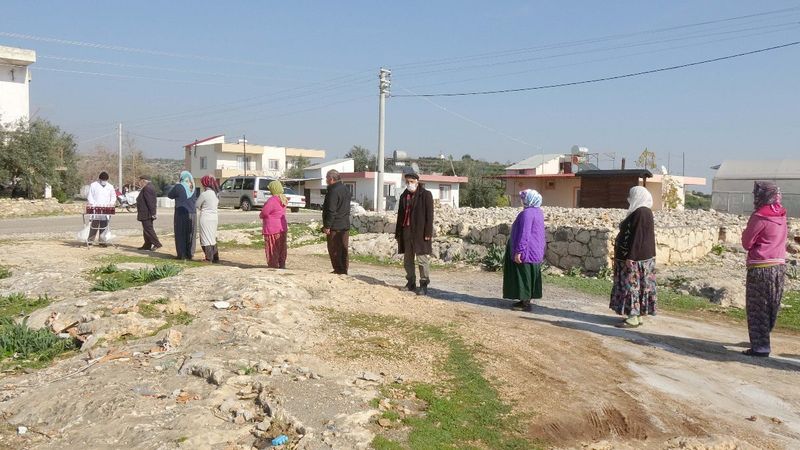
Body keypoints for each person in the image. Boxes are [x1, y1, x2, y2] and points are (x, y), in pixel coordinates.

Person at [741, 181, 788, 358]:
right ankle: (763, 337)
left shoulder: (759, 217)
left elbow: (747, 243)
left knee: (757, 307)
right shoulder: (781, 215)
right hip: (779, 267)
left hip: (761, 267)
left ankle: (760, 347)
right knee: (771, 305)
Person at [609, 186, 657, 328]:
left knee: (632, 286)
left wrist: (631, 257)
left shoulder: (641, 213)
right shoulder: (642, 212)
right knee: (638, 286)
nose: (629, 198)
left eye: (631, 195)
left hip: (635, 260)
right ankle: (637, 316)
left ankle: (633, 317)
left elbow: (638, 237)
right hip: (639, 258)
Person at [502, 189, 546, 311]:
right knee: (529, 275)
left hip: (526, 251)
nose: (522, 200)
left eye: (523, 198)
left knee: (523, 275)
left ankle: (524, 302)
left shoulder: (527, 214)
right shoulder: (538, 212)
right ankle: (526, 299)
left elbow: (525, 234)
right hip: (534, 250)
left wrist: (519, 251)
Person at [395, 172, 434, 295]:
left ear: (417, 181)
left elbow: (430, 215)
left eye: (411, 181)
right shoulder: (404, 196)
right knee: (408, 259)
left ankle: (423, 284)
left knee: (422, 259)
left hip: (420, 231)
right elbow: (400, 216)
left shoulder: (426, 195)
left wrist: (428, 232)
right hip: (406, 230)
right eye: (407, 182)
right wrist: (398, 233)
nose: (409, 184)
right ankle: (410, 282)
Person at [322, 170, 351, 274]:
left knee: (334, 249)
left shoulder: (333, 191)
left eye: (327, 178)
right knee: (343, 249)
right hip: (345, 224)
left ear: (331, 179)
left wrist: (327, 226)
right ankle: (344, 269)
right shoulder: (345, 189)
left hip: (335, 225)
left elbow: (331, 210)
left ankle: (338, 270)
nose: (326, 180)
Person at [168, 171, 198, 260]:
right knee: (191, 234)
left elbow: (170, 195)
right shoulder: (193, 187)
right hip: (193, 213)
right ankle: (191, 253)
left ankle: (182, 254)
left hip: (181, 213)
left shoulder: (178, 187)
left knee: (181, 233)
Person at [260, 180, 288, 269]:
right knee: (281, 248)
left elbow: (264, 212)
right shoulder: (283, 198)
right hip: (282, 228)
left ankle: (273, 266)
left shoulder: (272, 200)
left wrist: (261, 215)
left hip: (272, 228)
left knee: (272, 249)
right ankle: (282, 265)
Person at [86, 171, 116, 247]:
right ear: (99, 179)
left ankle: (102, 241)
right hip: (96, 208)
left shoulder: (110, 186)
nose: (104, 181)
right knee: (94, 225)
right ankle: (90, 240)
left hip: (106, 208)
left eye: (105, 180)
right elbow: (90, 196)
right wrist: (94, 205)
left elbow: (113, 197)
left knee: (104, 225)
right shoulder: (93, 185)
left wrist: (110, 204)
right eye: (102, 180)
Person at [197, 175, 220, 263]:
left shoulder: (204, 194)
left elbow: (197, 204)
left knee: (205, 238)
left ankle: (208, 258)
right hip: (214, 218)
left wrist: (202, 207)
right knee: (212, 237)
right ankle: (215, 257)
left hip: (205, 218)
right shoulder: (216, 194)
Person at [135, 175, 162, 251]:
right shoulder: (148, 187)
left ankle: (157, 244)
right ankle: (147, 245)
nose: (139, 183)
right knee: (146, 229)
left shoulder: (147, 188)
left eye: (140, 181)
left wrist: (153, 213)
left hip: (147, 213)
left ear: (144, 181)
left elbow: (150, 202)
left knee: (148, 229)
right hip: (146, 213)